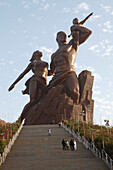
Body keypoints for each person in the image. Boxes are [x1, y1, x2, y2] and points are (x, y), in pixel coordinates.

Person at [48, 26, 92, 104]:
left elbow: (88, 32)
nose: (63, 37)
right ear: (57, 39)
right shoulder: (53, 55)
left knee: (74, 92)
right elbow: (51, 71)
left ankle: (75, 112)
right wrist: (38, 72)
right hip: (57, 76)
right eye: (61, 36)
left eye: (64, 36)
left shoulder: (71, 45)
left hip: (69, 73)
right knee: (47, 94)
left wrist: (76, 27)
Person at [8, 50, 48, 121]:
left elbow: (49, 73)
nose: (39, 52)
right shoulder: (32, 64)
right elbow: (23, 74)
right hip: (35, 79)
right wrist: (14, 83)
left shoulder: (46, 63)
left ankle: (35, 117)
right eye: (37, 52)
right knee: (32, 100)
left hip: (43, 82)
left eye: (39, 52)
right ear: (34, 55)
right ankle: (20, 119)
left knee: (41, 101)